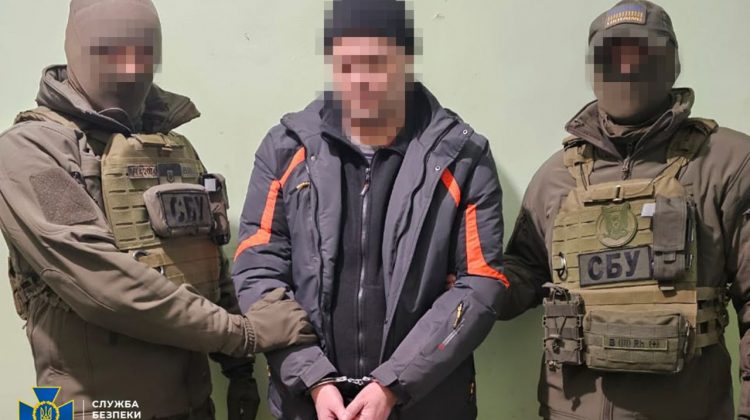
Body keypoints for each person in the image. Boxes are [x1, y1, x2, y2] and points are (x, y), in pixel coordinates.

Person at [0, 1, 316, 419]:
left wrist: (239, 371)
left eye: (144, 52)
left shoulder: (168, 147)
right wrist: (243, 335)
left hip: (193, 404)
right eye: (112, 50)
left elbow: (206, 260)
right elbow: (101, 281)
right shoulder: (29, 153)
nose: (132, 67)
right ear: (76, 48)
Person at [232, 0, 509, 418]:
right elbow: (258, 271)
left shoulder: (461, 156)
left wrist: (393, 385)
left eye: (376, 63)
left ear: (406, 61)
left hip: (427, 404)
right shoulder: (286, 149)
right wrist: (313, 379)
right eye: (346, 65)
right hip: (309, 404)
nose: (359, 80)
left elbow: (481, 284)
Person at [500, 1, 750, 419]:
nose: (628, 68)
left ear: (671, 63)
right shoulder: (556, 176)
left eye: (643, 53)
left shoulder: (727, 162)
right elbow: (525, 270)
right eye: (612, 56)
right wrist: (472, 284)